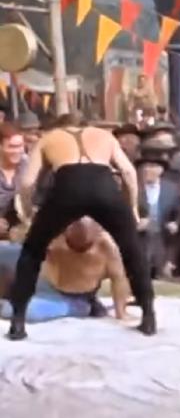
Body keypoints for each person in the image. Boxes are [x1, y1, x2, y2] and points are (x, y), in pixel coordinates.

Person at [6, 113, 155, 340]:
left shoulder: (49, 138)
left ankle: (18, 322)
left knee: (32, 252)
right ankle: (149, 316)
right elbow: (128, 172)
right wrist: (132, 206)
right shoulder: (103, 135)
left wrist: (27, 212)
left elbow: (27, 183)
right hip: (104, 188)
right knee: (132, 250)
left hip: (68, 189)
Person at [0, 217, 130, 321]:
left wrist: (121, 312)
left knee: (20, 311)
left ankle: (85, 307)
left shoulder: (107, 247)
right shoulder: (56, 234)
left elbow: (119, 278)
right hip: (43, 281)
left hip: (72, 299)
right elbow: (23, 241)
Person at [136, 152, 180, 278]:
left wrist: (176, 223)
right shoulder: (133, 187)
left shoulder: (172, 189)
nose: (147, 170)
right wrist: (136, 223)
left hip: (163, 240)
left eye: (152, 167)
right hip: (139, 241)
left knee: (162, 276)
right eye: (145, 166)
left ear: (160, 170)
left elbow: (179, 213)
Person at [0, 123, 26, 240]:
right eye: (11, 147)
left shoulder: (28, 165)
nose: (17, 151)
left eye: (20, 146)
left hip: (21, 231)